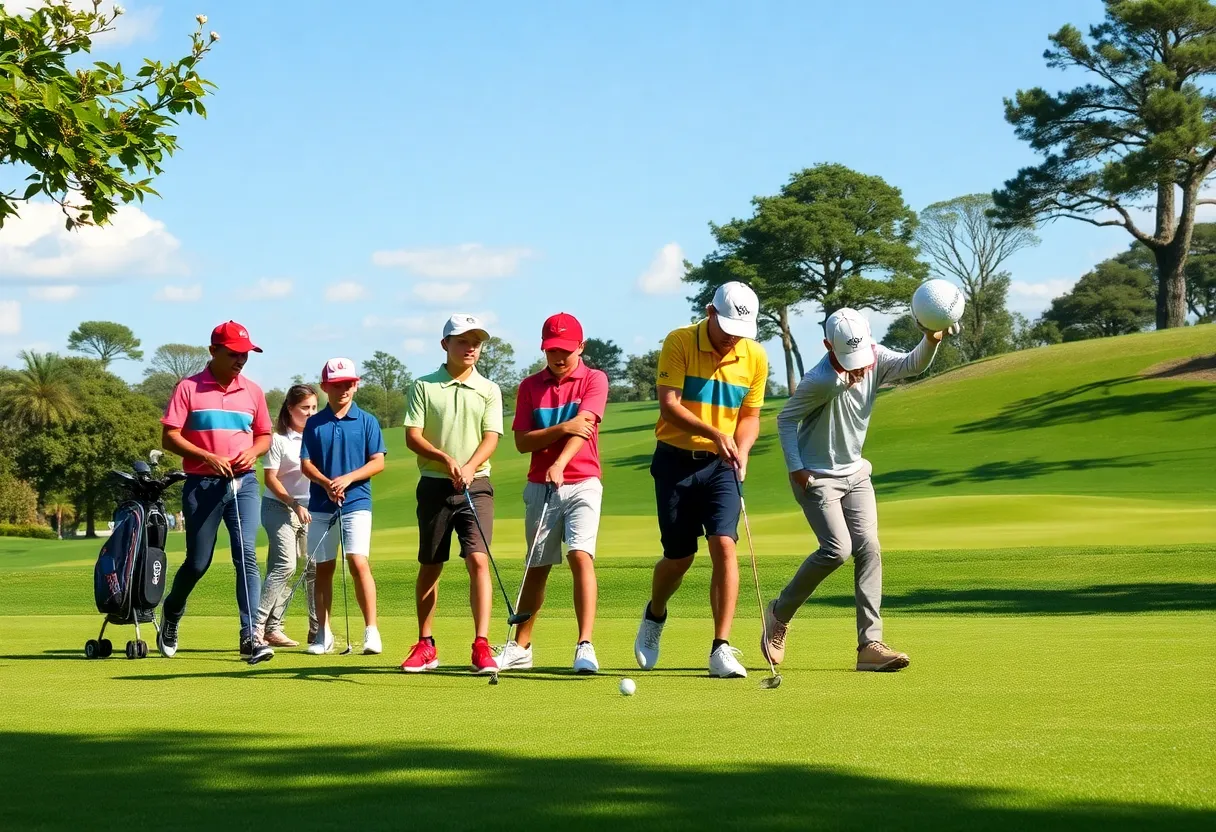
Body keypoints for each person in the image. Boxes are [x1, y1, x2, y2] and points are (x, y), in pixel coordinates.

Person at [762, 308, 960, 672]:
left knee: (869, 548)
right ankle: (779, 613)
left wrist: (930, 338)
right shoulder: (819, 380)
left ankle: (870, 644)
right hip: (817, 477)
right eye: (848, 360)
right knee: (837, 550)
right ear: (827, 346)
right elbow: (786, 419)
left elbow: (911, 365)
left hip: (856, 473)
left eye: (861, 357)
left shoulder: (875, 356)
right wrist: (796, 469)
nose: (859, 367)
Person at [633, 282, 768, 679]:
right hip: (675, 462)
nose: (731, 339)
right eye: (725, 328)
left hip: (721, 466)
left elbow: (750, 417)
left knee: (724, 546)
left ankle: (720, 647)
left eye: (740, 332)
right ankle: (655, 614)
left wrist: (740, 451)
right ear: (710, 311)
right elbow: (669, 405)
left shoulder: (755, 356)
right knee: (679, 557)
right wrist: (715, 434)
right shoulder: (679, 342)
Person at [496, 313, 609, 675]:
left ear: (581, 346)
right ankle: (521, 647)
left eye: (564, 350)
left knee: (580, 556)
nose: (558, 357)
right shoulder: (530, 386)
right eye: (551, 350)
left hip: (583, 481)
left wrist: (559, 461)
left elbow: (585, 428)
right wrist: (563, 426)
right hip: (539, 486)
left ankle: (585, 645)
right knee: (537, 568)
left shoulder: (595, 379)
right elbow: (521, 441)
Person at [157, 321, 274, 663]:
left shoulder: (253, 391)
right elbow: (169, 437)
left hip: (244, 483)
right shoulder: (188, 388)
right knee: (197, 562)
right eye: (234, 354)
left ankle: (250, 635)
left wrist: (253, 452)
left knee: (246, 555)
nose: (241, 360)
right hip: (202, 484)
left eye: (246, 355)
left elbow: (264, 435)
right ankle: (173, 611)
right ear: (213, 352)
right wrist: (207, 456)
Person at [399, 314, 504, 675]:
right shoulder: (424, 386)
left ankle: (481, 645)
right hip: (434, 484)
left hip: (477, 484)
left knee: (478, 560)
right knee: (431, 565)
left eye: (476, 341)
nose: (471, 347)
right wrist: (446, 460)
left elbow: (491, 436)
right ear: (445, 344)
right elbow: (413, 436)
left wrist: (470, 466)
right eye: (463, 340)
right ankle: (426, 644)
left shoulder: (489, 389)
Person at [299, 358, 386, 655]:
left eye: (349, 383)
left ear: (356, 384)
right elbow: (306, 464)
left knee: (358, 561)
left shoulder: (367, 421)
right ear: (325, 387)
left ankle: (371, 630)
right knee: (323, 567)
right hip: (322, 503)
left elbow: (378, 462)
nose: (344, 389)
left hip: (357, 501)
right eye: (336, 385)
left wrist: (346, 479)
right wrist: (326, 482)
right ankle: (324, 633)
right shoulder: (314, 423)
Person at [253, 384, 319, 648]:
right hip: (278, 507)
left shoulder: (317, 437)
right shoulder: (278, 439)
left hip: (310, 509)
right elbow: (270, 478)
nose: (311, 413)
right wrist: (293, 504)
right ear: (290, 409)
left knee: (313, 568)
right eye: (305, 408)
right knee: (285, 566)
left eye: (314, 407)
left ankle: (312, 631)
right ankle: (255, 629)